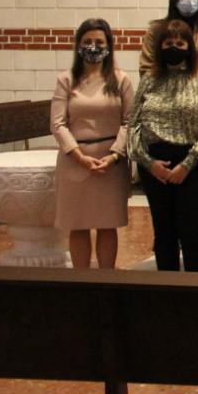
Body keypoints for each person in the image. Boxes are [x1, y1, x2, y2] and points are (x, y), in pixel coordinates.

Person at [127, 18, 198, 271]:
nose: (174, 47)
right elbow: (133, 124)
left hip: (193, 165)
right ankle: (167, 286)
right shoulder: (149, 79)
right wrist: (148, 163)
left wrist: (188, 164)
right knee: (164, 229)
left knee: (191, 230)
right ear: (160, 47)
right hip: (155, 164)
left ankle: (195, 290)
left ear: (190, 47)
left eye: (180, 43)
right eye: (169, 42)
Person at [51, 18, 134, 269]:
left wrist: (114, 155)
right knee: (78, 225)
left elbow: (130, 122)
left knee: (108, 225)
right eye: (87, 42)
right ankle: (81, 282)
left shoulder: (121, 80)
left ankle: (106, 280)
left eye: (99, 42)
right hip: (75, 162)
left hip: (111, 163)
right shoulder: (66, 80)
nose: (93, 47)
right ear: (78, 46)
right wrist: (79, 156)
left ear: (109, 45)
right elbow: (57, 123)